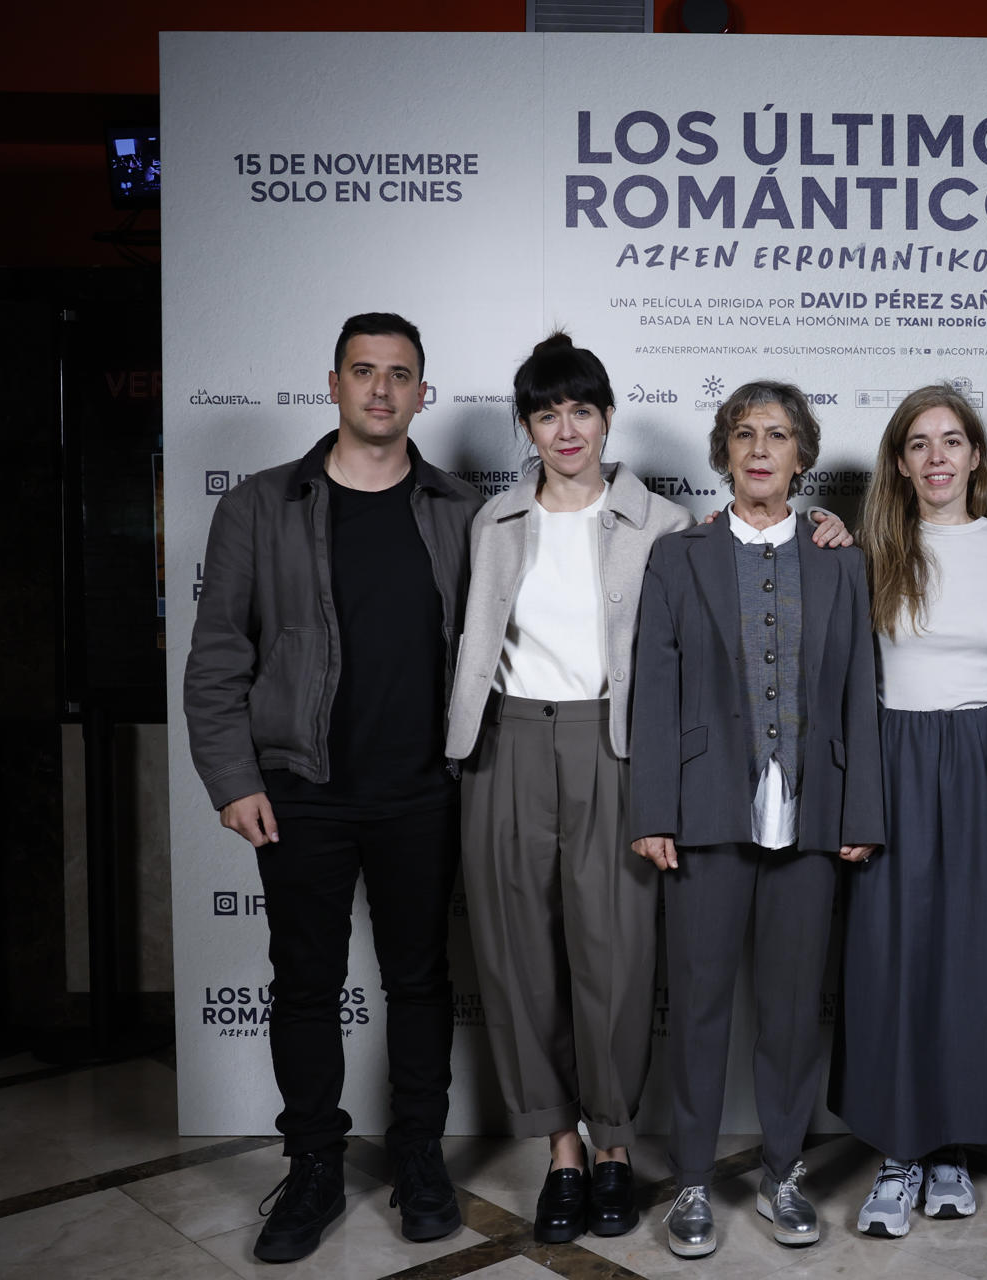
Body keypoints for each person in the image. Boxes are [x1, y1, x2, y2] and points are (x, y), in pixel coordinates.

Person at [184, 312, 478, 1263]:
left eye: (400, 374)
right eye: (364, 371)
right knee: (305, 985)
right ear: (334, 382)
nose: (382, 389)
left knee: (421, 981)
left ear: (423, 392)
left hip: (422, 793)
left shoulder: (461, 510)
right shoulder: (262, 505)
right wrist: (233, 777)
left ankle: (421, 1157)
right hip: (300, 789)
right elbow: (217, 657)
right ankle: (312, 1164)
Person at [441, 333, 693, 1243]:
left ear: (607, 416)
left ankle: (616, 1147)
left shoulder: (661, 525)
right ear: (528, 427)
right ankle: (562, 1150)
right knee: (517, 960)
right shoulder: (495, 520)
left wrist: (828, 524)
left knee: (616, 959)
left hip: (611, 748)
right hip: (504, 744)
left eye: (580, 409)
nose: (565, 428)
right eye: (546, 413)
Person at [629, 381, 883, 1259]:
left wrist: (862, 810)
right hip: (703, 814)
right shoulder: (678, 556)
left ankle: (783, 1172)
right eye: (745, 434)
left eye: (778, 435)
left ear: (803, 455)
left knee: (788, 1011)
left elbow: (860, 696)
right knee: (698, 1007)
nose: (761, 448)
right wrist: (653, 809)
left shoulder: (841, 559)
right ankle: (693, 1181)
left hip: (812, 816)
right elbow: (655, 693)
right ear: (725, 452)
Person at [831, 385, 987, 1239]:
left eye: (951, 441)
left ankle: (952, 1141)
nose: (936, 458)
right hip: (895, 757)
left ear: (975, 457)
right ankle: (899, 1148)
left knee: (979, 957)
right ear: (899, 460)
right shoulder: (868, 551)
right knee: (893, 954)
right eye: (918, 443)